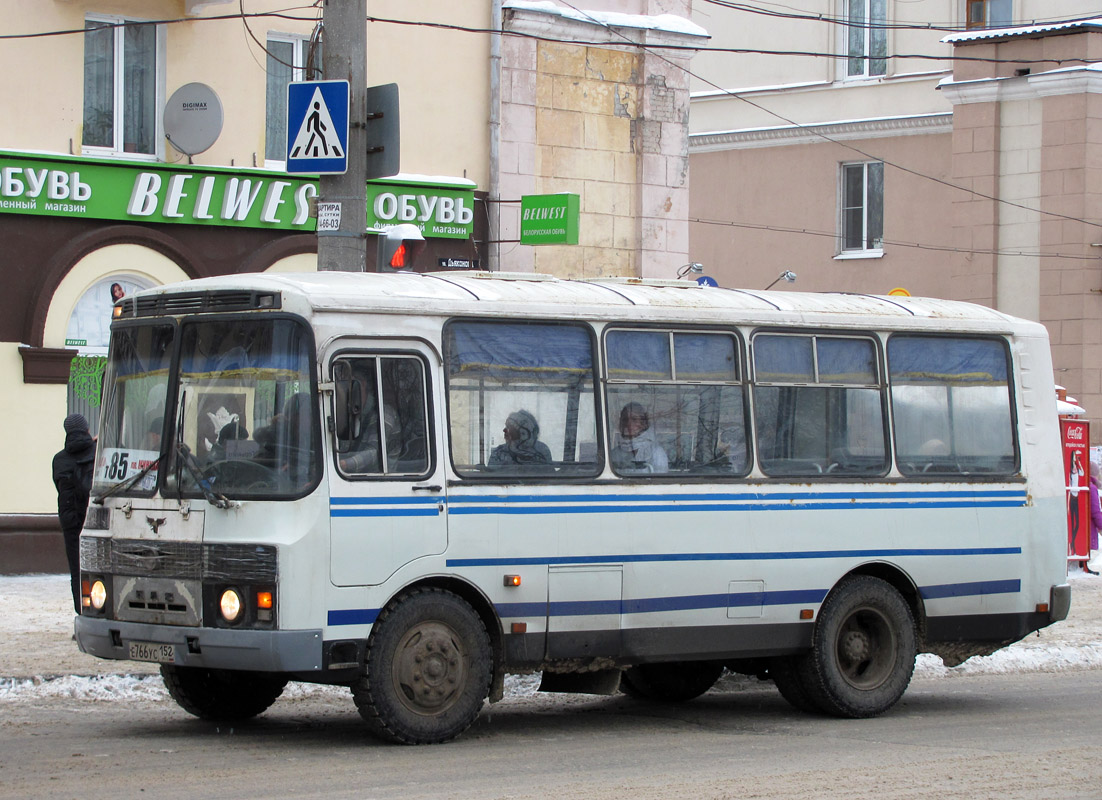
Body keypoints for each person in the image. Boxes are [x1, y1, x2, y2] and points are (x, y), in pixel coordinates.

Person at [51, 414, 96, 614]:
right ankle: (98, 612)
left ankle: (82, 614)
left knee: (76, 570)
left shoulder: (59, 460)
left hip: (70, 520)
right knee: (98, 567)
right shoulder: (98, 452)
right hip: (94, 517)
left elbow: (58, 486)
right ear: (86, 430)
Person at [610, 402, 668, 474]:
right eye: (625, 419)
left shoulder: (656, 452)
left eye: (634, 419)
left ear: (643, 424)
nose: (628, 423)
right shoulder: (614, 454)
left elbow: (660, 482)